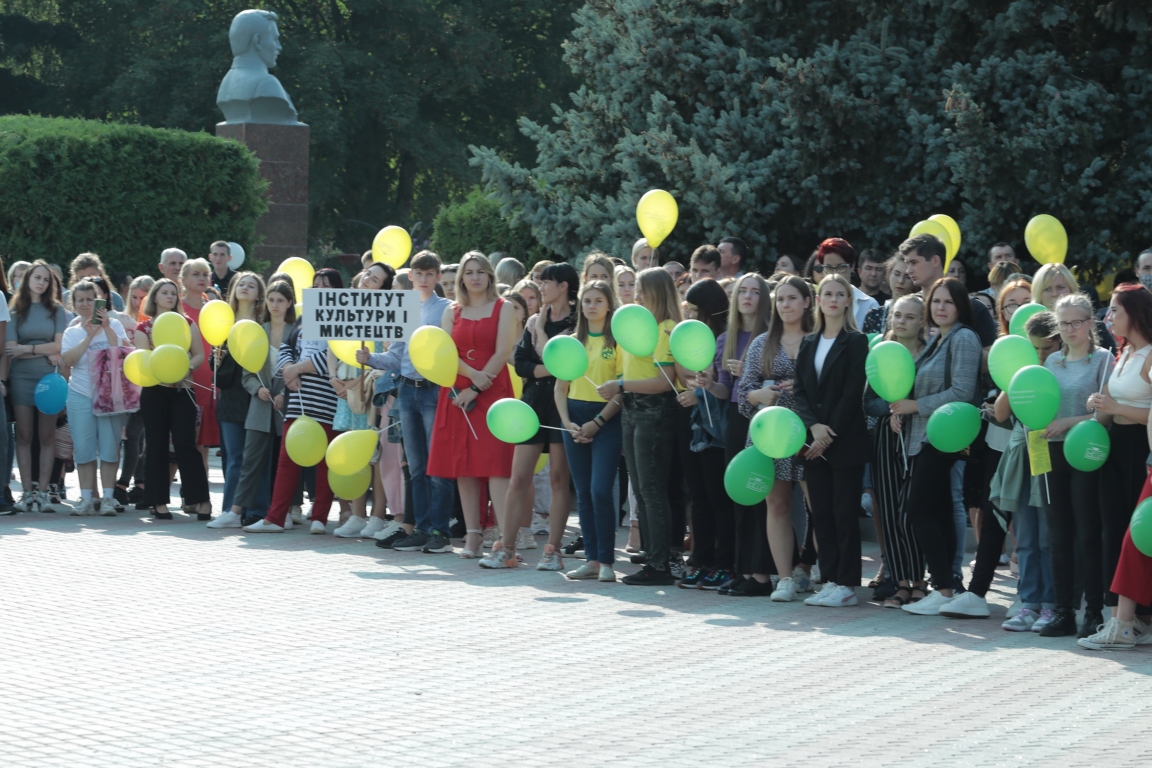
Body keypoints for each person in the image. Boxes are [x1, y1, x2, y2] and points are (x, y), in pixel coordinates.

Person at [892, 277, 982, 616]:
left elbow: (963, 391)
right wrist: (902, 410)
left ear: (960, 306)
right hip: (926, 435)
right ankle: (946, 588)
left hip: (944, 436)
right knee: (940, 511)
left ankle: (943, 586)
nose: (941, 307)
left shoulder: (964, 337)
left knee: (917, 510)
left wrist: (916, 406)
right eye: (936, 301)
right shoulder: (937, 339)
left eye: (948, 302)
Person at [480, 263, 578, 570]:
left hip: (563, 405)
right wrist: (551, 368)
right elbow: (521, 362)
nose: (541, 287)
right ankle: (506, 548)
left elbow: (572, 364)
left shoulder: (578, 323)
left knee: (559, 478)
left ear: (563, 286)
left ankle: (553, 551)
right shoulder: (534, 320)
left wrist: (545, 343)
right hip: (533, 403)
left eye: (546, 282)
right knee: (518, 477)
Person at [361, 251, 454, 552]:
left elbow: (449, 352)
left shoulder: (446, 309)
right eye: (419, 274)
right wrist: (370, 358)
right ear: (411, 276)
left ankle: (440, 531)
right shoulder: (403, 308)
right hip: (407, 390)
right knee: (416, 465)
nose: (424, 279)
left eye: (430, 274)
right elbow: (396, 355)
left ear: (438, 276)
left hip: (434, 390)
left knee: (437, 463)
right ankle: (422, 528)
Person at [427, 252, 517, 558]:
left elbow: (503, 351)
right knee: (463, 465)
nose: (475, 277)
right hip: (457, 392)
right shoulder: (452, 310)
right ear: (462, 279)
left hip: (493, 392)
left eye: (480, 271)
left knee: (497, 466)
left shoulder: (504, 307)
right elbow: (445, 352)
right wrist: (471, 378)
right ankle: (474, 536)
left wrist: (478, 386)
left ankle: (505, 540)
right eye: (469, 272)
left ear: (490, 275)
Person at [597, 267, 682, 585]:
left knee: (651, 489)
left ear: (657, 293)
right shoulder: (637, 327)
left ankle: (660, 565)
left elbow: (663, 381)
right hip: (633, 409)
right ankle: (652, 554)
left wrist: (620, 385)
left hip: (655, 411)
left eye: (642, 290)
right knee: (642, 489)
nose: (636, 296)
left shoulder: (666, 328)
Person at [793, 274, 871, 607]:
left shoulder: (856, 341)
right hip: (813, 442)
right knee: (821, 514)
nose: (834, 299)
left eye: (840, 294)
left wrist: (828, 432)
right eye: (828, 294)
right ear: (818, 300)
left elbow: (853, 393)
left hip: (844, 441)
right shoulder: (809, 342)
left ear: (849, 301)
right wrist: (813, 427)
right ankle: (830, 579)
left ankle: (847, 583)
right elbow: (799, 391)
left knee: (843, 514)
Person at [737, 275, 815, 597]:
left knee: (818, 507)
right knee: (777, 504)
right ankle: (784, 579)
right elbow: (744, 394)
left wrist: (805, 389)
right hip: (771, 434)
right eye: (780, 299)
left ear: (807, 302)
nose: (785, 305)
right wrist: (759, 395)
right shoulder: (762, 343)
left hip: (810, 433)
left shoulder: (818, 340)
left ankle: (815, 570)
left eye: (792, 298)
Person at [243, 280, 342, 534]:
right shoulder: (302, 319)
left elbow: (335, 355)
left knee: (324, 461)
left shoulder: (341, 319)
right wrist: (289, 372)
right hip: (297, 398)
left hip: (325, 399)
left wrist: (298, 368)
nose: (320, 289)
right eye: (316, 285)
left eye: (326, 285)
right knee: (287, 459)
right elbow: (286, 347)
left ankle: (319, 518)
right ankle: (275, 518)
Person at [983, 313, 1061, 632]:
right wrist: (1017, 376)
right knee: (1025, 537)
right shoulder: (1022, 370)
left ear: (1058, 343)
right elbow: (1001, 413)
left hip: (1052, 456)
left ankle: (1051, 605)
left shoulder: (1062, 369)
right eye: (1035, 348)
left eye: (1047, 348)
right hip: (1023, 456)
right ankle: (1028, 603)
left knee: (1047, 537)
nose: (1041, 355)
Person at [696, 273, 771, 590]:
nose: (748, 297)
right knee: (739, 493)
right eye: (743, 292)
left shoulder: (771, 335)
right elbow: (726, 391)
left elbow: (779, 378)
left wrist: (751, 370)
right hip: (736, 417)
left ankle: (762, 572)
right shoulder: (725, 339)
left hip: (765, 419)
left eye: (755, 292)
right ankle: (743, 570)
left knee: (761, 496)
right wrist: (710, 384)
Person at [1087, 283, 1152, 622]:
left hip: (1142, 449)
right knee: (1111, 530)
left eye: (1115, 310)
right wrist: (1100, 406)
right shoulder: (1122, 353)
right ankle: (1115, 614)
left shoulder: (1151, 354)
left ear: (1135, 313)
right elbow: (1111, 408)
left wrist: (1116, 407)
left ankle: (1140, 615)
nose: (1108, 317)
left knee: (1137, 533)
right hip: (1116, 448)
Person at [554, 280, 624, 582]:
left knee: (600, 490)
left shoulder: (618, 342)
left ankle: (607, 561)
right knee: (583, 492)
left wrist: (597, 422)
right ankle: (592, 560)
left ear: (609, 305)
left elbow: (621, 393)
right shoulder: (572, 342)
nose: (592, 306)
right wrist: (567, 422)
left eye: (598, 301)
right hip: (573, 418)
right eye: (587, 301)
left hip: (606, 420)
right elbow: (560, 388)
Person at [330, 263, 403, 540]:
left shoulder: (388, 315)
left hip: (372, 389)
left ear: (384, 288)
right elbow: (333, 344)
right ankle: (357, 514)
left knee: (376, 454)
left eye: (375, 280)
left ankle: (378, 516)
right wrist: (334, 378)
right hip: (346, 388)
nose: (367, 280)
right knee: (354, 450)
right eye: (367, 275)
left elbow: (386, 356)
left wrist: (356, 384)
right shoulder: (346, 307)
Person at [211, 279, 292, 528]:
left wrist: (285, 392)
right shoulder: (258, 330)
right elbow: (248, 372)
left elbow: (301, 368)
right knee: (248, 458)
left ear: (289, 303)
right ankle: (234, 512)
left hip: (289, 403)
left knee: (284, 461)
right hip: (257, 402)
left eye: (280, 300)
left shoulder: (296, 332)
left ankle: (279, 512)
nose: (275, 305)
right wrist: (257, 388)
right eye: (272, 300)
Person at [863, 295, 927, 608]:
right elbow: (869, 402)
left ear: (922, 322)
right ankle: (901, 582)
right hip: (887, 438)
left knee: (912, 511)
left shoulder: (929, 354)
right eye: (897, 315)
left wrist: (908, 407)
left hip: (921, 437)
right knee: (889, 511)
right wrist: (891, 409)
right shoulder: (882, 351)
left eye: (910, 317)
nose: (901, 321)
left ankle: (920, 581)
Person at [133, 279, 210, 520]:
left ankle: (201, 499)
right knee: (156, 445)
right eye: (165, 292)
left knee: (186, 444)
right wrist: (164, 372)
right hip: (155, 391)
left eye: (173, 293)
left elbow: (199, 355)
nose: (170, 297)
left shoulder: (187, 323)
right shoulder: (143, 328)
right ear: (154, 297)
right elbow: (144, 360)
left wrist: (186, 367)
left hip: (183, 389)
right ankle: (158, 502)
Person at [673, 279, 733, 588]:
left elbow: (725, 385)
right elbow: (687, 374)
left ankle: (724, 564)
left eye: (695, 310)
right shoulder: (691, 336)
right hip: (692, 422)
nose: (690, 315)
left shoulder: (725, 339)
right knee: (698, 496)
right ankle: (701, 559)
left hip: (716, 427)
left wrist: (699, 394)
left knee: (717, 496)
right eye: (688, 308)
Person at [60, 278, 130, 516]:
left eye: (90, 299)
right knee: (83, 450)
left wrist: (106, 328)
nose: (85, 304)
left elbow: (125, 352)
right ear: (73, 304)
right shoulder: (71, 332)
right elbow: (68, 361)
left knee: (110, 449)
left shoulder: (115, 325)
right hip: (80, 395)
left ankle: (108, 498)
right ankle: (87, 498)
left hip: (109, 395)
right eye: (80, 300)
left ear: (98, 301)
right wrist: (89, 336)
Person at [6, 261, 66, 513]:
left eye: (46, 279)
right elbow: (11, 349)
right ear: (27, 279)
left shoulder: (57, 310)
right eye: (37, 277)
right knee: (23, 435)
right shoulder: (15, 310)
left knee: (47, 436)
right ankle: (26, 492)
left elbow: (59, 346)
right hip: (21, 378)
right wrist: (43, 351)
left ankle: (42, 493)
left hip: (48, 380)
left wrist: (27, 349)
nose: (41, 282)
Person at [207, 272, 266, 527]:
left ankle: (254, 510)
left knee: (255, 457)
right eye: (241, 284)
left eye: (251, 285)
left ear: (259, 294)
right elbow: (215, 367)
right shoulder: (223, 322)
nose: (245, 288)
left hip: (257, 395)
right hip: (231, 396)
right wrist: (216, 359)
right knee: (234, 457)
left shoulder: (263, 323)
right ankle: (229, 510)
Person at [902, 234, 998, 347]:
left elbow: (991, 355)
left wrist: (952, 340)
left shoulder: (973, 308)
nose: (908, 270)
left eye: (914, 262)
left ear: (935, 261)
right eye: (907, 264)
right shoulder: (906, 307)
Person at [180, 259, 221, 472]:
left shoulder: (214, 310)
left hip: (210, 382)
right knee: (184, 443)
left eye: (205, 274)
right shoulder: (177, 309)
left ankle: (199, 488)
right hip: (185, 380)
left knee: (202, 444)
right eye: (196, 274)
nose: (201, 278)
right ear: (184, 279)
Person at [811, 238, 878, 330]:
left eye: (841, 267)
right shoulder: (813, 302)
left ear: (852, 266)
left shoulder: (869, 304)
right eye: (829, 268)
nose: (835, 273)